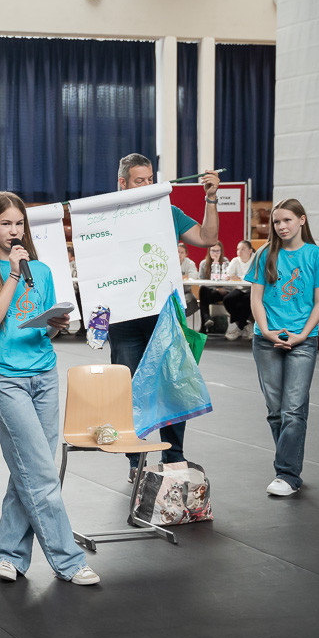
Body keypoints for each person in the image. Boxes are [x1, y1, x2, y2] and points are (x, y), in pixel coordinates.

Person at [0, 191, 100, 586]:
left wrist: (57, 325)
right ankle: (69, 561)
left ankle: (9, 553)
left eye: (19, 223)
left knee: (29, 469)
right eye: (5, 223)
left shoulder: (42, 271)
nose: (14, 230)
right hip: (6, 380)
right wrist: (12, 275)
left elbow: (44, 329)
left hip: (45, 376)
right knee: (41, 473)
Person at [110, 153, 220, 482]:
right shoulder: (105, 215)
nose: (147, 185)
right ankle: (135, 461)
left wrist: (211, 198)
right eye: (139, 180)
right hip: (124, 317)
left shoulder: (168, 212)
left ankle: (174, 457)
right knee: (129, 388)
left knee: (173, 381)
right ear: (123, 183)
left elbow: (208, 238)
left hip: (164, 313)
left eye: (150, 179)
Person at [246, 199, 319, 496]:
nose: (281, 226)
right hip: (266, 340)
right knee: (275, 411)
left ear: (301, 220)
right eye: (276, 222)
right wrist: (266, 331)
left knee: (294, 410)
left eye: (287, 220)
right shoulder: (264, 254)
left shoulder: (317, 256)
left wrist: (303, 335)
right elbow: (256, 298)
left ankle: (287, 474)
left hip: (302, 341)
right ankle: (289, 467)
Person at [223, 239, 255, 340]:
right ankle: (245, 324)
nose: (239, 252)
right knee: (227, 299)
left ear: (250, 251)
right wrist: (230, 276)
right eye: (238, 249)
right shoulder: (235, 260)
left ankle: (239, 327)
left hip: (253, 289)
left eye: (243, 249)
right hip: (240, 288)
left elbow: (255, 277)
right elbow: (228, 274)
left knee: (246, 301)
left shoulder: (256, 259)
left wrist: (239, 277)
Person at [197, 241, 231, 333]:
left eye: (217, 251)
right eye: (213, 251)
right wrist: (215, 288)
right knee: (203, 290)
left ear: (221, 251)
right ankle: (207, 319)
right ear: (209, 251)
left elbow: (228, 279)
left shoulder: (226, 262)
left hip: (224, 292)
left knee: (204, 295)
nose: (215, 253)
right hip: (210, 292)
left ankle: (204, 326)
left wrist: (217, 264)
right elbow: (201, 282)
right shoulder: (204, 263)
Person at [178, 241, 198, 316]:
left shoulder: (190, 263)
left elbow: (194, 276)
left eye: (182, 252)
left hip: (186, 292)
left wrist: (184, 277)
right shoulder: (170, 263)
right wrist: (185, 276)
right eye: (178, 252)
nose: (179, 254)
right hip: (171, 293)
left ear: (186, 254)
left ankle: (179, 319)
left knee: (192, 301)